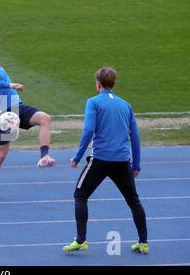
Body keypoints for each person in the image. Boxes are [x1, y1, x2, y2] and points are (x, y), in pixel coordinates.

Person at [63, 67, 148, 254]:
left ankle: (81, 240)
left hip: (100, 160)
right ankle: (143, 242)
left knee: (80, 196)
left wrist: (77, 157)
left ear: (98, 84)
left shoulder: (93, 103)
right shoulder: (126, 105)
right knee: (134, 201)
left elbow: (88, 131)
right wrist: (136, 164)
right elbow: (135, 137)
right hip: (122, 162)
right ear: (113, 84)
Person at [0, 34, 56, 202]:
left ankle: (44, 156)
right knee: (1, 155)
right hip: (5, 115)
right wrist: (10, 85)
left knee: (45, 119)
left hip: (18, 107)